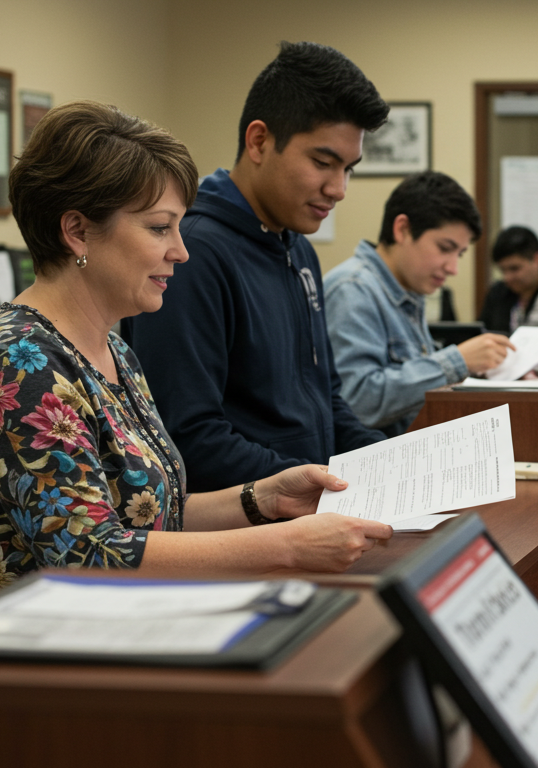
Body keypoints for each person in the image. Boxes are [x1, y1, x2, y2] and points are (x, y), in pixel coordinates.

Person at [0, 102, 392, 624]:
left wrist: (264, 498)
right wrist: (287, 545)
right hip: (11, 646)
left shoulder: (114, 351)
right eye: (158, 228)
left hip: (108, 627)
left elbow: (150, 514)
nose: (180, 251)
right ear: (77, 231)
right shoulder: (18, 361)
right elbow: (90, 554)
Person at [120, 41, 389, 492]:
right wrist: (316, 485)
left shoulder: (298, 248)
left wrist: (387, 459)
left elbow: (326, 401)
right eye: (323, 163)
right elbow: (187, 437)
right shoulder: (191, 253)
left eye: (349, 169)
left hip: (308, 508)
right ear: (259, 141)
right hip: (244, 519)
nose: (339, 188)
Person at [324, 172, 515, 437]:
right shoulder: (353, 289)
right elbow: (357, 403)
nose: (453, 268)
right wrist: (458, 361)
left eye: (459, 254)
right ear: (402, 229)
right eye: (444, 248)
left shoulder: (407, 289)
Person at [477, 225, 538, 333]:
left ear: (537, 259)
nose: (507, 277)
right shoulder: (497, 293)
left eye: (514, 268)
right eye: (503, 270)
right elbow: (482, 332)